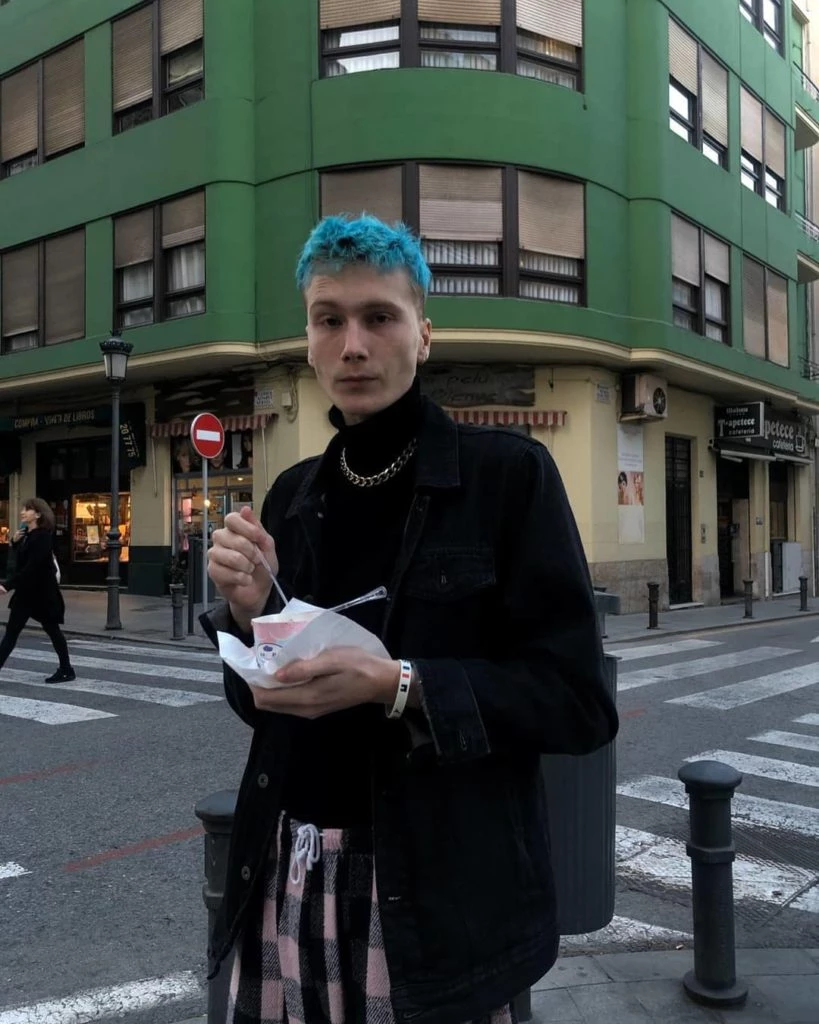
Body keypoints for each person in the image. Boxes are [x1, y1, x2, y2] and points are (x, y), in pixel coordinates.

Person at [203, 215, 618, 1024]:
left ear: (423, 335)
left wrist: (399, 686)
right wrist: (251, 617)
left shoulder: (508, 477)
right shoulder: (292, 494)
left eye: (379, 317)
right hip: (289, 872)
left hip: (438, 898)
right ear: (309, 340)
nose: (353, 345)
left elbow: (576, 703)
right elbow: (263, 707)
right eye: (329, 319)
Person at [0, 497, 75, 683]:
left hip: (42, 595)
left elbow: (32, 568)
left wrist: (8, 585)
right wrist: (15, 543)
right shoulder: (27, 535)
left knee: (53, 631)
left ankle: (66, 669)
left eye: (27, 509)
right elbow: (20, 565)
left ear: (38, 514)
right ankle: (67, 669)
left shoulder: (43, 537)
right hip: (26, 594)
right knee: (11, 632)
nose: (22, 512)